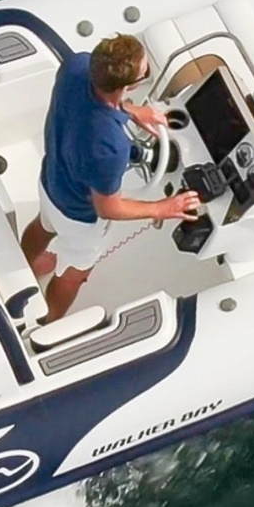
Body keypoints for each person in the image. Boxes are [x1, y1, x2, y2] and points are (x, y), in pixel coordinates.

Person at [20, 34, 201, 322]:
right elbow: (108, 208)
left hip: (51, 180)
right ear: (128, 86)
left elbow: (95, 101)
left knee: (43, 225)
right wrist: (162, 208)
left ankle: (24, 266)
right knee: (74, 273)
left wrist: (132, 111)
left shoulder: (75, 67)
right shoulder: (111, 148)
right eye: (145, 72)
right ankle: (47, 322)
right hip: (77, 217)